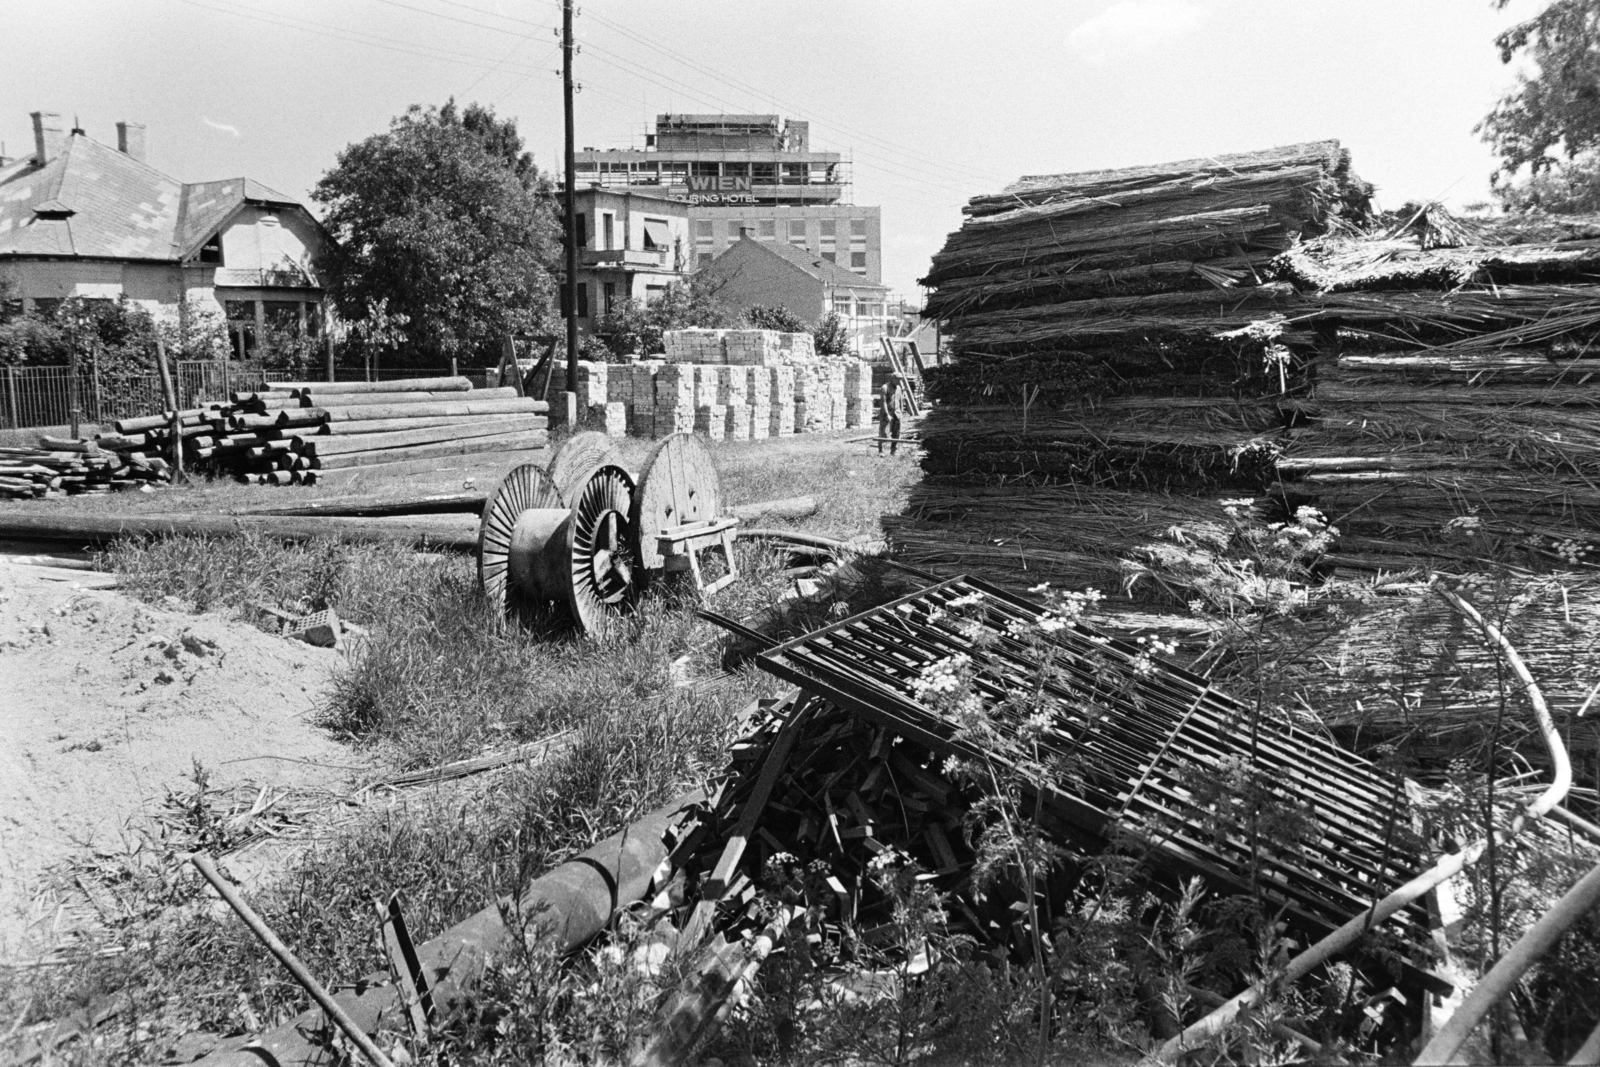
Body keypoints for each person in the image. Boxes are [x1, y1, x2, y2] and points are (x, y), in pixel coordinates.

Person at [878, 373, 906, 456]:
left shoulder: (899, 388)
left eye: (900, 379)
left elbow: (900, 401)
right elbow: (883, 402)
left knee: (897, 433)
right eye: (897, 379)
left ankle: (894, 450)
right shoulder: (885, 388)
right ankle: (882, 451)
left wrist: (901, 412)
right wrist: (886, 414)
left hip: (897, 414)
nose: (899, 381)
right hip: (887, 413)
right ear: (892, 378)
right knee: (884, 433)